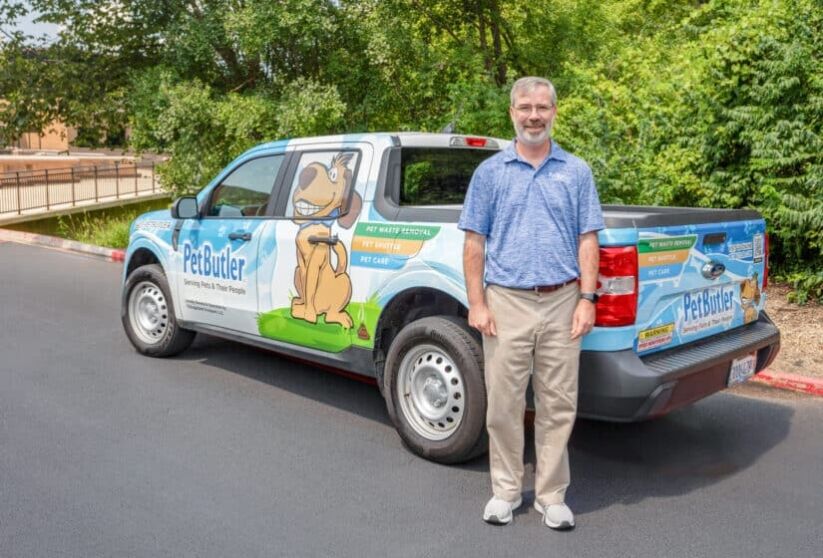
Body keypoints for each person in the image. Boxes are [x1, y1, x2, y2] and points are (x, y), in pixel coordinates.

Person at [458, 76, 604, 530]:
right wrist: (477, 303)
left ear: (554, 112)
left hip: (563, 301)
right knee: (503, 405)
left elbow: (588, 239)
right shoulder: (490, 174)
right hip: (506, 303)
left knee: (558, 404)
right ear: (512, 113)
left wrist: (587, 299)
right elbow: (474, 242)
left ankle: (551, 496)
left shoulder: (576, 172)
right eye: (525, 107)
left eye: (542, 107)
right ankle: (505, 491)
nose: (534, 116)